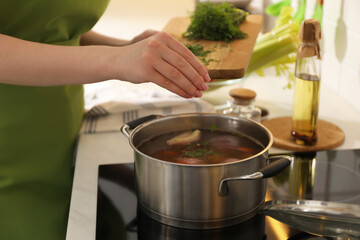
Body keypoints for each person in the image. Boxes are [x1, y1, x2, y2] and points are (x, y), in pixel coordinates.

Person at [0, 0, 211, 239]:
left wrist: (125, 47)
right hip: (9, 159)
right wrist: (115, 60)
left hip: (62, 136)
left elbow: (47, 24)